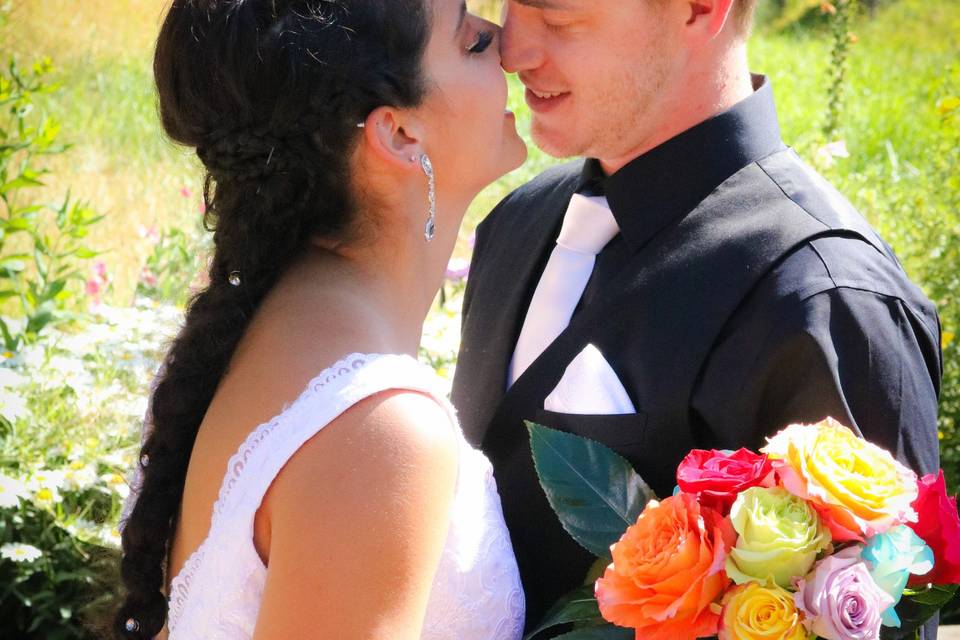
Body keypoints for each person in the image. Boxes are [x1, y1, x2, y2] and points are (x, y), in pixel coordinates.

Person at [451, 0, 942, 636]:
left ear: (699, 9)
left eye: (559, 17)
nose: (511, 50)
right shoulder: (515, 223)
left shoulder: (826, 300)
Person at [114, 0, 528, 638]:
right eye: (471, 40)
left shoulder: (269, 324)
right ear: (398, 134)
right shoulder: (379, 430)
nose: (505, 40)